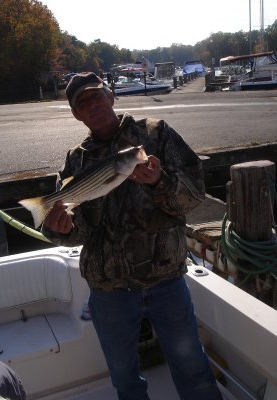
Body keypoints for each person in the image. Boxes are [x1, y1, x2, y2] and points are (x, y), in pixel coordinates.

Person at [42, 71, 222, 400]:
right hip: (109, 290)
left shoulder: (156, 135)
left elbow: (195, 196)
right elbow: (76, 229)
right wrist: (61, 230)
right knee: (124, 379)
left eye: (97, 94)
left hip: (165, 279)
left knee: (192, 367)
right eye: (82, 101)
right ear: (75, 113)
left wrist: (159, 182)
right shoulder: (76, 161)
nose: (92, 103)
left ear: (111, 96)